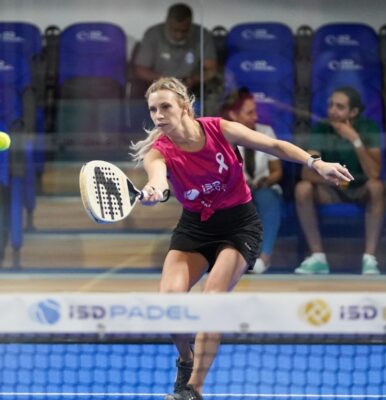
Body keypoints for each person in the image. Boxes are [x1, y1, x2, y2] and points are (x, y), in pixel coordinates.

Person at [130, 77, 353, 400]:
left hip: (239, 226)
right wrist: (155, 191)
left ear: (184, 107)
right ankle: (186, 359)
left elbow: (274, 146)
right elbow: (159, 179)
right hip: (195, 228)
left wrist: (315, 163)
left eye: (165, 106)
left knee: (212, 300)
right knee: (169, 301)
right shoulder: (158, 152)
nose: (159, 115)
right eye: (153, 109)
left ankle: (194, 389)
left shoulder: (219, 129)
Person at [294, 86, 385, 275]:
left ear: (353, 112)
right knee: (303, 189)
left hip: (360, 190)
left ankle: (369, 259)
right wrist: (336, 180)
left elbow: (374, 173)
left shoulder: (368, 128)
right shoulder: (321, 128)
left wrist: (355, 140)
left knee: (377, 188)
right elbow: (307, 173)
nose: (332, 111)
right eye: (331, 105)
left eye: (340, 107)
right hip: (331, 189)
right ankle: (318, 257)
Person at [220, 88, 283, 273]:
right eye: (250, 113)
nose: (255, 117)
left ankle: (264, 258)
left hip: (264, 186)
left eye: (255, 111)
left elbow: (277, 171)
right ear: (233, 114)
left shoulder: (266, 131)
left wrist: (266, 180)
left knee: (266, 198)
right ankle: (232, 258)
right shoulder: (223, 136)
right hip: (236, 190)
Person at [132, 3, 217, 98]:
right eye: (175, 30)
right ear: (167, 22)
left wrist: (194, 79)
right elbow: (140, 70)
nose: (179, 35)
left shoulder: (202, 35)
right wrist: (165, 81)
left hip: (193, 87)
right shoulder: (153, 34)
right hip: (159, 84)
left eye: (184, 31)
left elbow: (211, 70)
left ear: (190, 24)